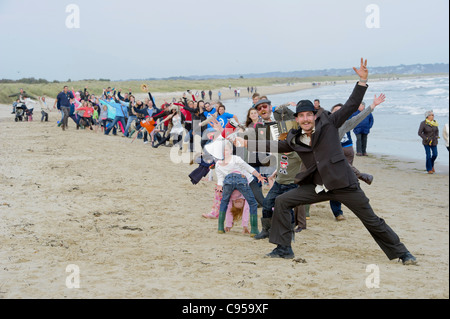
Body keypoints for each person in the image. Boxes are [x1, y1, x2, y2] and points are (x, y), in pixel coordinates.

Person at [233, 58, 417, 265]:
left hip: (345, 185)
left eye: (308, 115)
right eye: (301, 116)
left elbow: (350, 106)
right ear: (297, 118)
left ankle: (403, 253)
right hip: (319, 187)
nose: (305, 119)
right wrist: (247, 143)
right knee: (282, 201)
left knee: (372, 220)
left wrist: (362, 82)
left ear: (314, 115)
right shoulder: (294, 137)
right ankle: (284, 248)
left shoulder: (329, 123)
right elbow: (276, 146)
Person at [216, 140, 266, 236]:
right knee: (226, 202)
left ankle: (262, 222)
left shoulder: (236, 159)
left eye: (226, 150)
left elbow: (248, 167)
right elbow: (220, 177)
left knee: (260, 200)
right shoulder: (218, 164)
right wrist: (219, 186)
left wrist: (258, 175)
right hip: (232, 184)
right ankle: (221, 227)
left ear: (231, 151)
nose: (223, 152)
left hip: (248, 181)